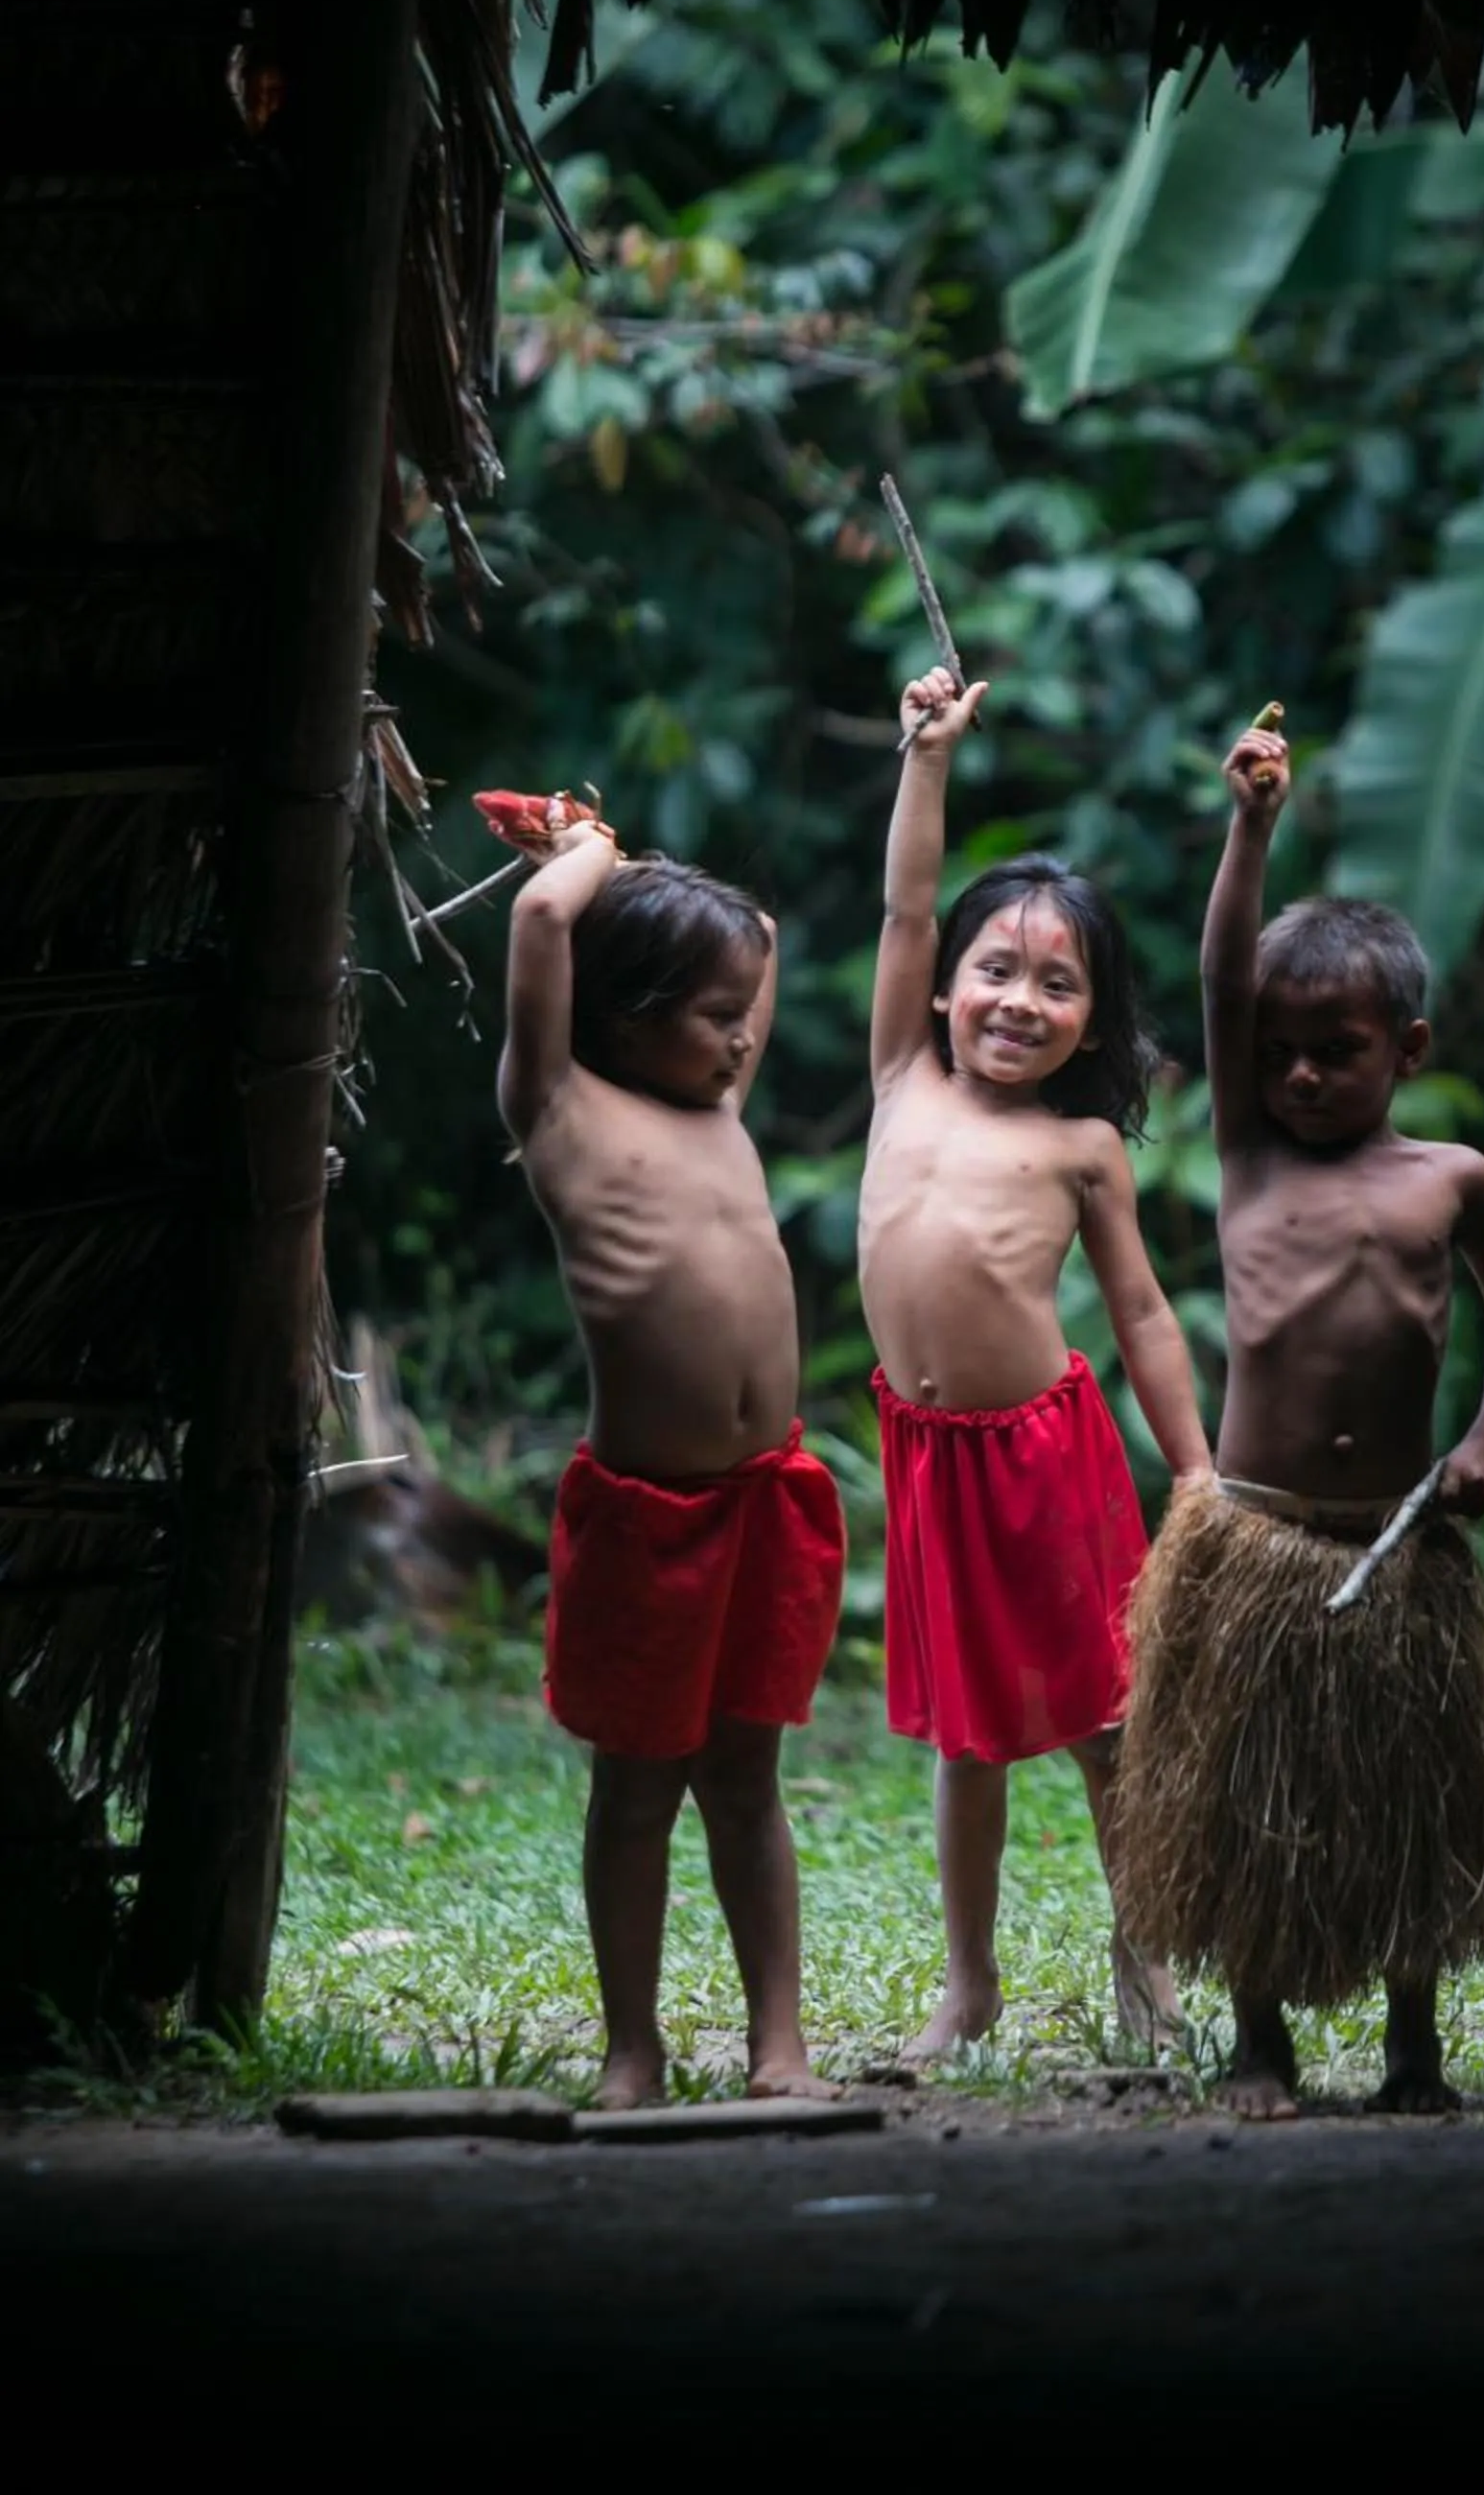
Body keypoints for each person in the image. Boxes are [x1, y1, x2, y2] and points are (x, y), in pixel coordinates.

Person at [1116, 715, 1484, 2120]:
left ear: (1407, 1045)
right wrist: (1251, 826)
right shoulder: (1247, 1157)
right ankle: (1261, 2043)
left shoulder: (1453, 1180)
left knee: (1404, 1804)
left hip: (1402, 1543)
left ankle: (1412, 2050)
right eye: (1283, 1050)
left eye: (1338, 1050)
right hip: (1257, 1544)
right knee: (1249, 1803)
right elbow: (1214, 977)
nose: (1302, 1074)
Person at [858, 669, 1213, 2064]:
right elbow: (900, 902)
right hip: (930, 1459)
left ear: (1095, 1020)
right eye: (994, 970)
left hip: (1045, 1456)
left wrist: (1195, 1474)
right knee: (966, 1739)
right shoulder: (903, 1074)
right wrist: (927, 760)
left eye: (1057, 984)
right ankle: (970, 1984)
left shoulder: (1084, 1147)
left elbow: (1143, 1319)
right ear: (942, 986)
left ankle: (1152, 1969)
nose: (1017, 1000)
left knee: (1107, 1730)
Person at [496, 802, 846, 2108]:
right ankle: (631, 2047)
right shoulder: (560, 1111)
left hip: (767, 1500)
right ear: (620, 1014)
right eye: (712, 1014)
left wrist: (646, 880)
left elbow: (753, 929)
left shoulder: (721, 1099)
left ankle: (779, 2047)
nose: (744, 1033)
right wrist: (586, 846)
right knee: (638, 1791)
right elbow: (541, 917)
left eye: (743, 1010)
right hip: (651, 1517)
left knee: (747, 1782)